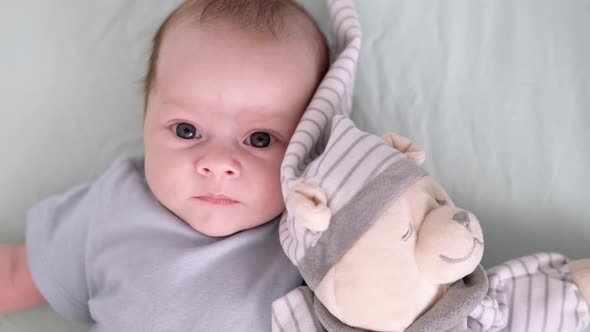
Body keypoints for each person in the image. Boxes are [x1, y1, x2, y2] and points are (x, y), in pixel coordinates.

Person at [0, 0, 329, 330]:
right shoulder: (115, 204)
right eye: (187, 130)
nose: (216, 164)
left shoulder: (311, 235)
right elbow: (15, 273)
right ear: (145, 121)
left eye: (260, 139)